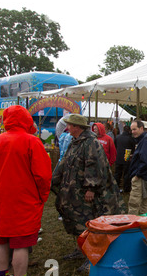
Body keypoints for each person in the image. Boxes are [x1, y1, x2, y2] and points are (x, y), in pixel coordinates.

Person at [0, 105, 52, 276]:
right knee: (21, 245)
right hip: (25, 200)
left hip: (3, 200)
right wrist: (41, 197)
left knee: (2, 242)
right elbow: (43, 176)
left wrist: (2, 186)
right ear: (26, 120)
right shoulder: (32, 141)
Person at [51, 114, 125, 266]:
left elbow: (94, 165)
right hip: (74, 191)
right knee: (75, 220)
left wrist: (91, 188)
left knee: (87, 222)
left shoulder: (91, 143)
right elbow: (65, 161)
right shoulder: (75, 141)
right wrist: (55, 179)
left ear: (77, 127)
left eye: (70, 125)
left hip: (87, 193)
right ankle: (81, 248)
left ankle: (91, 254)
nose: (68, 128)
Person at [127, 120, 147, 215]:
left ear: (141, 128)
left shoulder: (145, 141)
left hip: (141, 177)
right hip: (146, 176)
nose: (133, 132)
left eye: (135, 129)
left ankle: (130, 225)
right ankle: (146, 223)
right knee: (144, 203)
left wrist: (137, 174)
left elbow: (146, 161)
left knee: (134, 203)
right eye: (131, 130)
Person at [114, 124, 136, 193]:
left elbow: (115, 146)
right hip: (127, 158)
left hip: (118, 158)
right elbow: (133, 148)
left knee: (117, 174)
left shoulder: (117, 137)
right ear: (129, 131)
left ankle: (115, 188)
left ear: (123, 130)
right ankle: (126, 189)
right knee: (126, 175)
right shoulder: (131, 139)